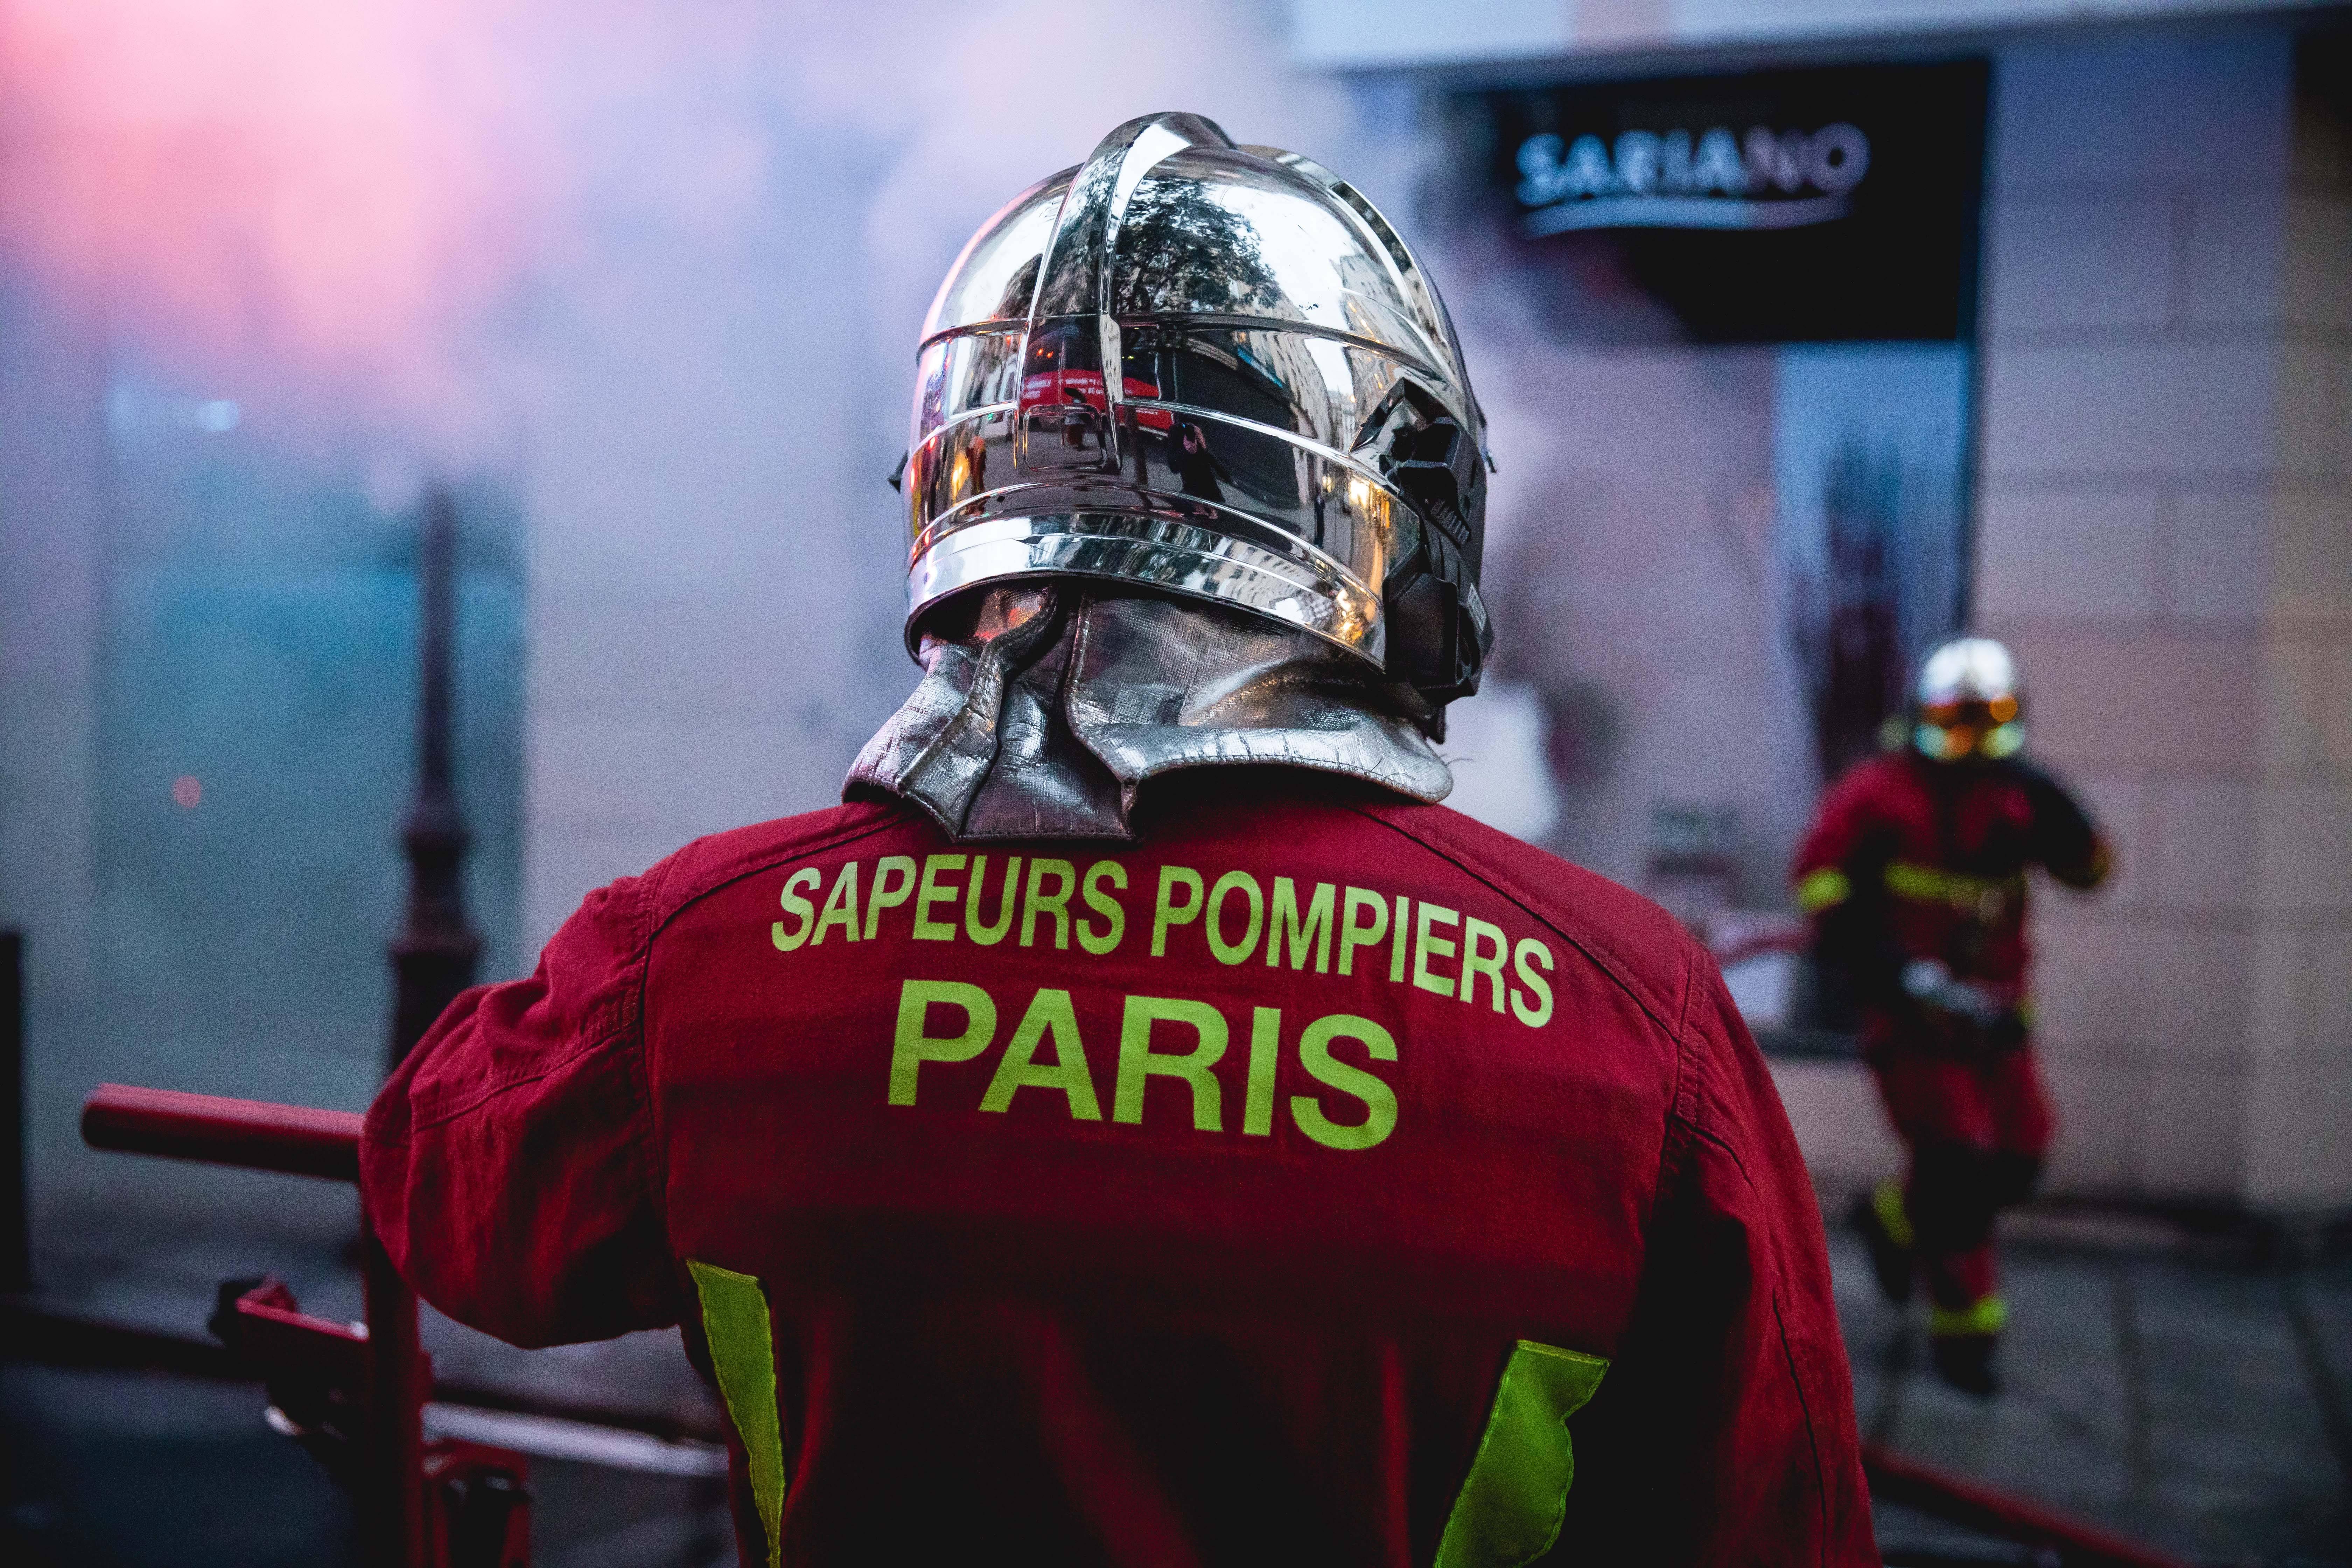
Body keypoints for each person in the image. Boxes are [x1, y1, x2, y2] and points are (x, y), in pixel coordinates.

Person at [364, 112, 1872, 1565]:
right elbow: (1776, 1519)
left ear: (960, 478)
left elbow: (448, 1191)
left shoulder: (704, 959)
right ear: (1391, 499)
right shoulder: (1626, 1026)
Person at [1794, 635, 2109, 1399]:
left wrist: (2060, 807)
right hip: (1914, 1025)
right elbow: (1817, 877)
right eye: (1954, 721)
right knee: (1958, 1169)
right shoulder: (1878, 792)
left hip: (1999, 1025)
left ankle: (1894, 1219)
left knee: (2019, 1162)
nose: (1970, 740)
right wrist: (1878, 954)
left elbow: (2089, 871)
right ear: (1920, 715)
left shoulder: (2018, 795)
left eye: (1986, 720)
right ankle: (1967, 1333)